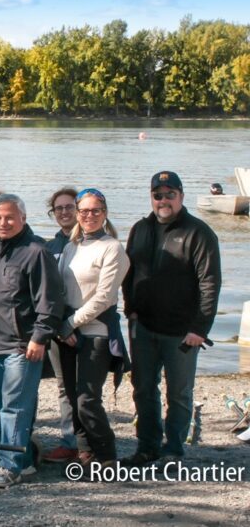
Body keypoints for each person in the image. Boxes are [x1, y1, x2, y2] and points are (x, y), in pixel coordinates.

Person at [121, 171, 221, 468]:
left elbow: (210, 284)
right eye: (158, 195)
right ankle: (147, 446)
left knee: (179, 393)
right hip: (143, 326)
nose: (163, 200)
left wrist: (200, 329)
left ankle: (174, 448)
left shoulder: (199, 232)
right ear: (151, 197)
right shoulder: (140, 228)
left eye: (169, 194)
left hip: (182, 332)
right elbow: (128, 272)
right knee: (142, 388)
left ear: (181, 196)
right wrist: (130, 308)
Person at [0, 193, 64, 488]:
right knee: (4, 404)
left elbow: (49, 300)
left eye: (9, 217)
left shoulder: (36, 251)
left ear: (23, 219)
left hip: (22, 344)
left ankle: (9, 465)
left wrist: (40, 337)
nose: (3, 222)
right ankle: (22, 461)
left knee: (15, 406)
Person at [57, 188, 130, 470]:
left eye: (95, 211)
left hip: (96, 332)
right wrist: (63, 325)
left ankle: (107, 455)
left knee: (88, 399)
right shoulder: (70, 247)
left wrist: (71, 323)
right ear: (77, 214)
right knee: (72, 397)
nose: (89, 216)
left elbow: (104, 297)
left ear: (105, 214)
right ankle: (85, 451)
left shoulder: (112, 248)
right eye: (84, 211)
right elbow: (61, 290)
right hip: (67, 332)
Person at [42, 187, 79, 464]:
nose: (64, 212)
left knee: (88, 389)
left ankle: (89, 441)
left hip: (88, 325)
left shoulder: (93, 242)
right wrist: (58, 328)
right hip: (59, 328)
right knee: (64, 386)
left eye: (69, 206)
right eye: (59, 208)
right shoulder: (49, 247)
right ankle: (70, 440)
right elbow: (47, 292)